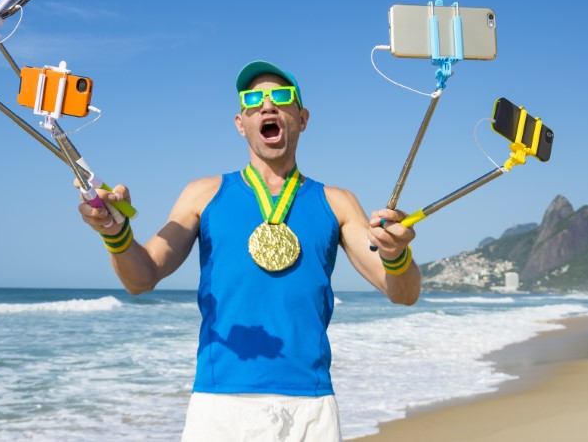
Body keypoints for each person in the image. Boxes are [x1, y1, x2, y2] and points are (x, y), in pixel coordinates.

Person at [78, 60, 421, 441]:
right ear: (240, 123)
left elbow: (403, 292)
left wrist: (395, 254)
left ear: (302, 118)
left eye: (281, 97)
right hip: (219, 403)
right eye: (253, 99)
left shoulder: (337, 202)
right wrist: (117, 234)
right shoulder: (202, 193)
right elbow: (142, 277)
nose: (267, 105)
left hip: (310, 404)